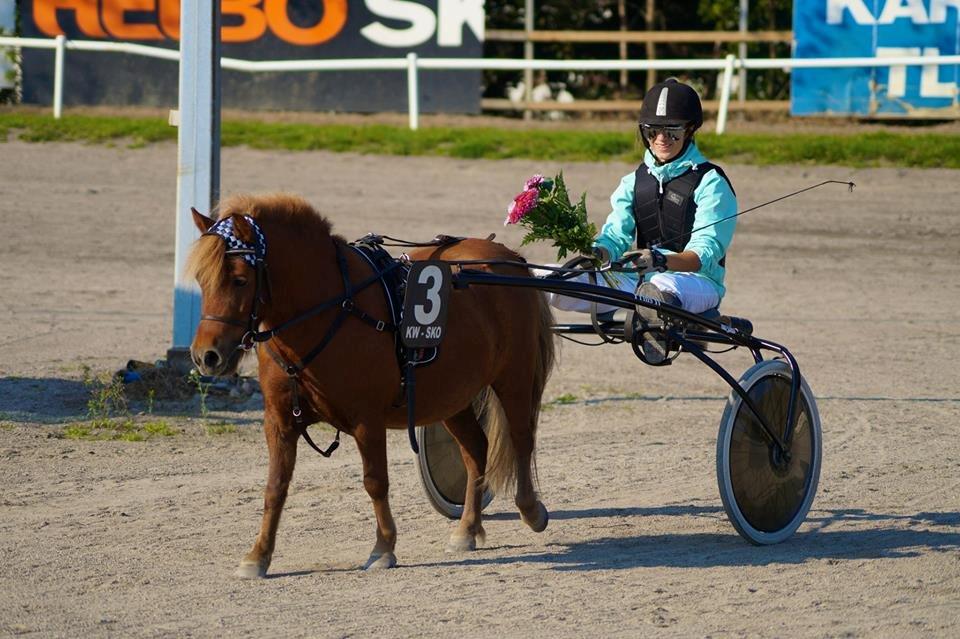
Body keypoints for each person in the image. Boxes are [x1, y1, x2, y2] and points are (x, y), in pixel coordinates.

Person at [545, 78, 738, 321]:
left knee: (661, 285)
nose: (661, 139)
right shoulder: (633, 181)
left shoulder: (711, 183)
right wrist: (600, 252)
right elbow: (615, 236)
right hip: (636, 281)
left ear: (690, 130)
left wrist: (659, 259)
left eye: (672, 131)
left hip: (695, 283)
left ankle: (654, 323)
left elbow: (703, 254)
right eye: (652, 131)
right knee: (549, 279)